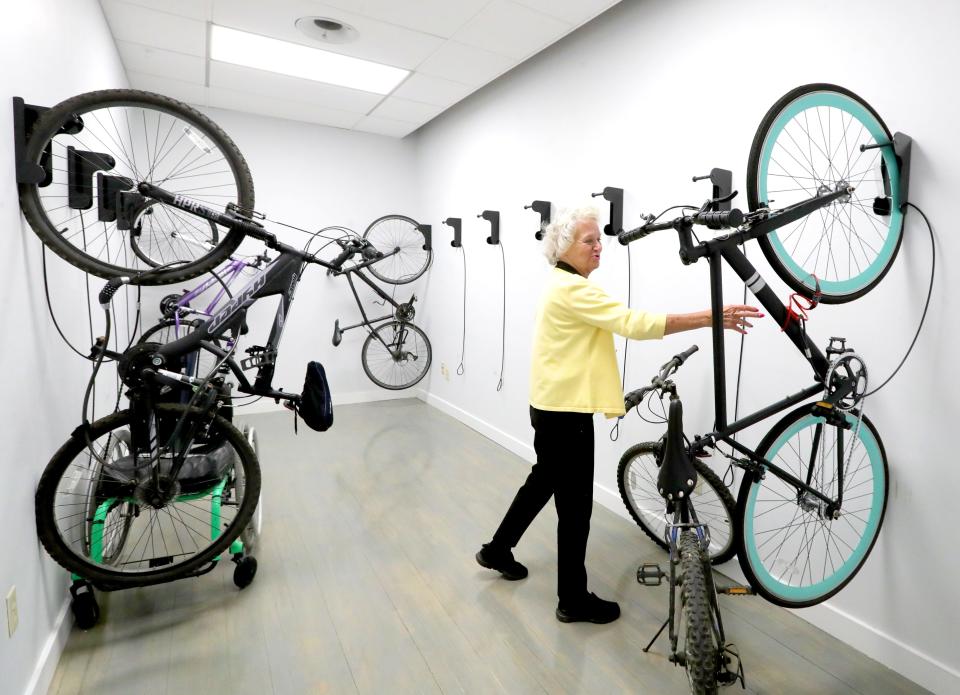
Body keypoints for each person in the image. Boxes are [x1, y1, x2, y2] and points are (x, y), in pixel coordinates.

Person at [475, 205, 762, 624]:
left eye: (599, 240)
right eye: (588, 240)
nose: (598, 247)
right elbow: (633, 324)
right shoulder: (573, 289)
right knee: (575, 508)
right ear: (564, 248)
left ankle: (497, 549)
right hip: (566, 412)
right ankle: (572, 599)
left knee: (542, 481)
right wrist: (710, 317)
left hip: (550, 406)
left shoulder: (559, 282)